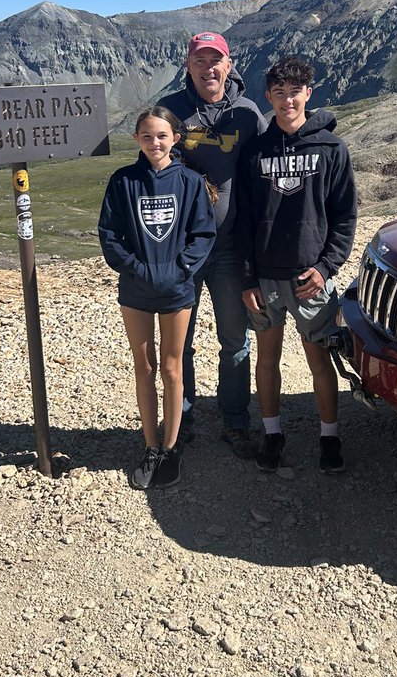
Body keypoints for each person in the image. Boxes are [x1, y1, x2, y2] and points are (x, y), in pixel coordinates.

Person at [237, 56, 357, 473]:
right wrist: (247, 276)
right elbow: (244, 219)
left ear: (309, 93)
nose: (287, 100)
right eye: (279, 93)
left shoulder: (331, 148)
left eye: (295, 92)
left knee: (318, 359)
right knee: (265, 359)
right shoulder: (255, 152)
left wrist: (326, 268)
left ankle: (329, 437)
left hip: (310, 277)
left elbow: (345, 217)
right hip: (265, 277)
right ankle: (273, 435)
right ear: (267, 96)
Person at [159, 32, 267, 456]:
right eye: (200, 60)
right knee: (179, 341)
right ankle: (181, 419)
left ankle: (235, 420)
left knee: (234, 340)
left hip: (228, 248)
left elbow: (262, 168)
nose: (208, 68)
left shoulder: (246, 112)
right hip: (181, 248)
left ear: (228, 64)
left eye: (215, 60)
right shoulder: (172, 111)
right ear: (188, 65)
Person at [98, 106, 216, 490]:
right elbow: (110, 233)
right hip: (135, 288)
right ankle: (150, 446)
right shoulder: (122, 181)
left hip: (177, 289)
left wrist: (179, 269)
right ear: (136, 139)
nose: (154, 143)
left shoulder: (191, 182)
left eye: (162, 136)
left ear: (175, 139)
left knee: (172, 367)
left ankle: (172, 445)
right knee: (143, 367)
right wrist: (135, 267)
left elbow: (203, 235)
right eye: (147, 136)